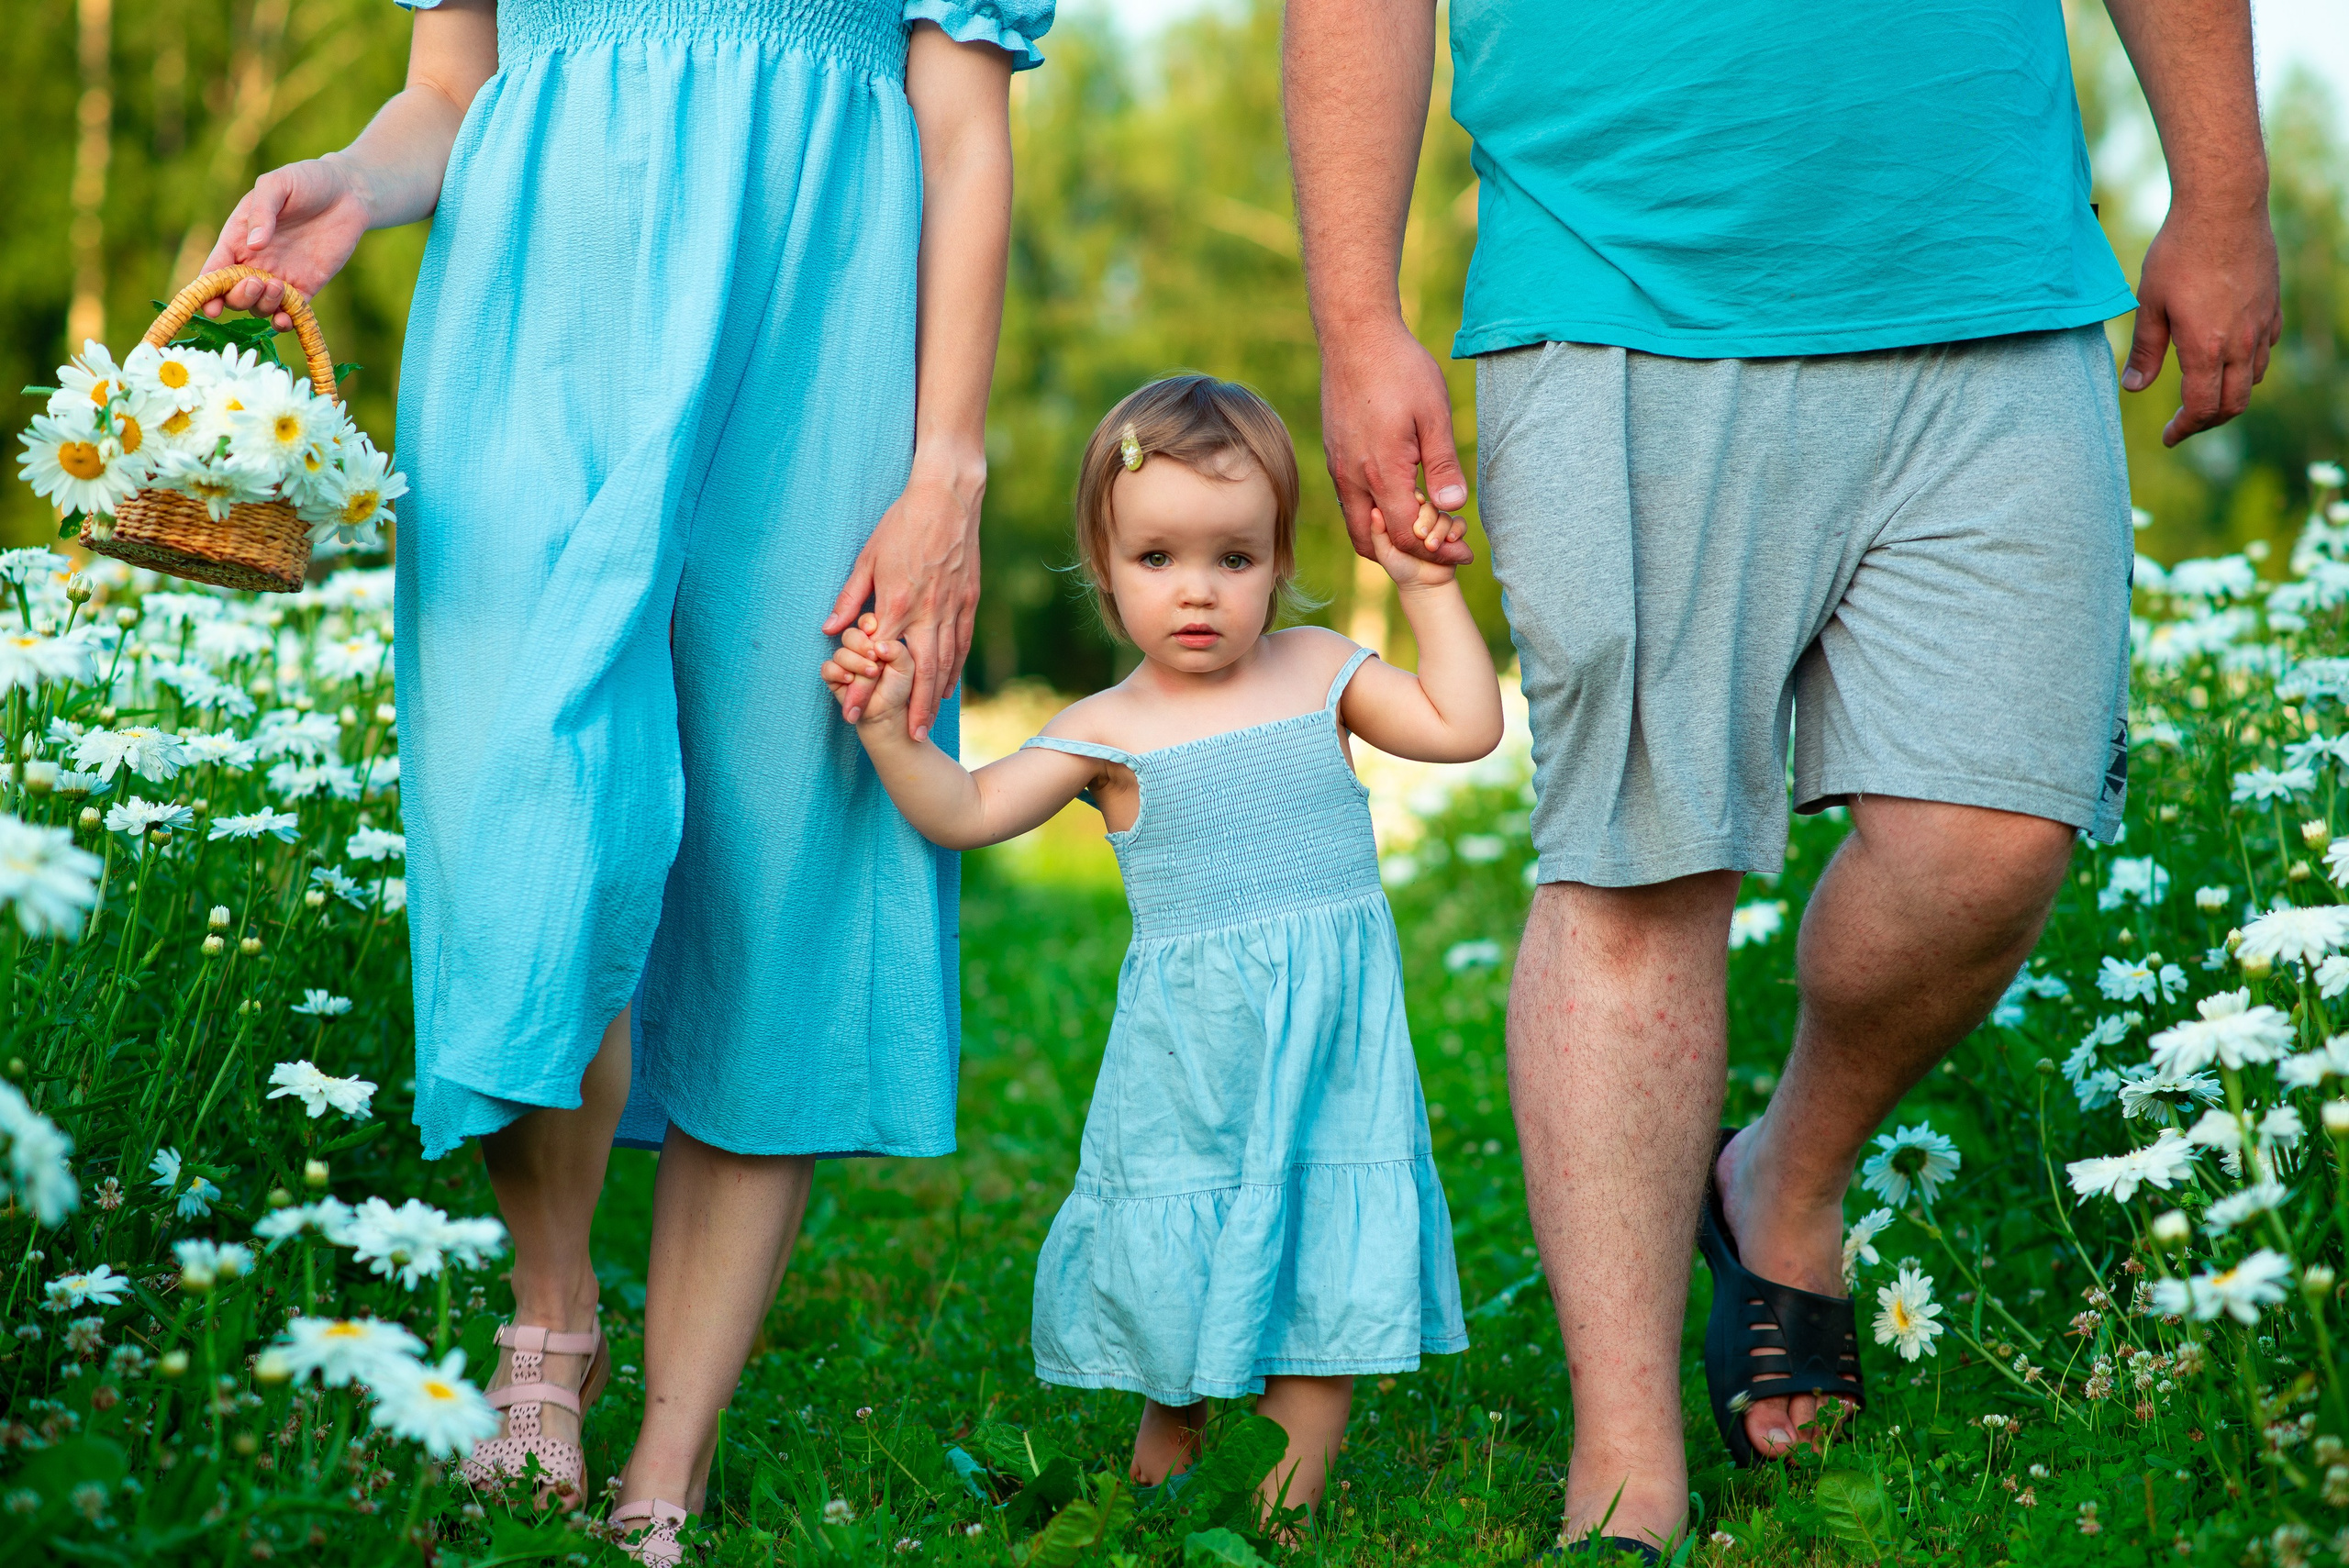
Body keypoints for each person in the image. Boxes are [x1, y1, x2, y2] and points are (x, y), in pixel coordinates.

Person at [1282, 0, 2279, 1557]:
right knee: (1635, 864)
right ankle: (1627, 1463)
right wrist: (1358, 318)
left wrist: (2222, 192)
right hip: (1619, 270)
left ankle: (1782, 1175)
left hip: (1991, 265)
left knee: (1997, 836)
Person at [196, 0, 1052, 1559]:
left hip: (820, 345)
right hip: (527, 343)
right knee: (524, 826)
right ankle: (553, 1318)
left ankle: (673, 1445)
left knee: (779, 857)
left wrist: (946, 467)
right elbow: (448, 88)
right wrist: (355, 181)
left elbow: (963, 128)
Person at [820, 374, 1496, 1525]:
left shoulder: (1318, 671)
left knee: (1315, 1265)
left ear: (1278, 560)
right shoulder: (1106, 729)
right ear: (1104, 562)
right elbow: (967, 810)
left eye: (1234, 558)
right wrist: (890, 731)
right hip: (1190, 1066)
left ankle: (1277, 1519)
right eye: (1157, 558)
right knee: (1182, 1275)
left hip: (1327, 1053)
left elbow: (1464, 725)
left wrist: (1426, 587)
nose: (1198, 590)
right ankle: (1161, 1473)